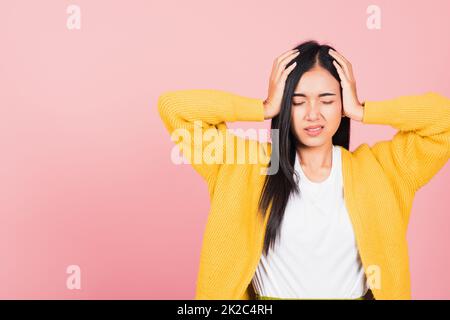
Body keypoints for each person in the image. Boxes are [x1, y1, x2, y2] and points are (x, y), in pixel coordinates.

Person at [157, 40, 450, 300]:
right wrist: (262, 107)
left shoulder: (383, 170)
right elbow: (174, 108)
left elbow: (443, 122)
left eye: (327, 100)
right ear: (285, 106)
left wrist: (363, 110)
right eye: (297, 101)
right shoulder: (244, 165)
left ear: (342, 106)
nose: (313, 113)